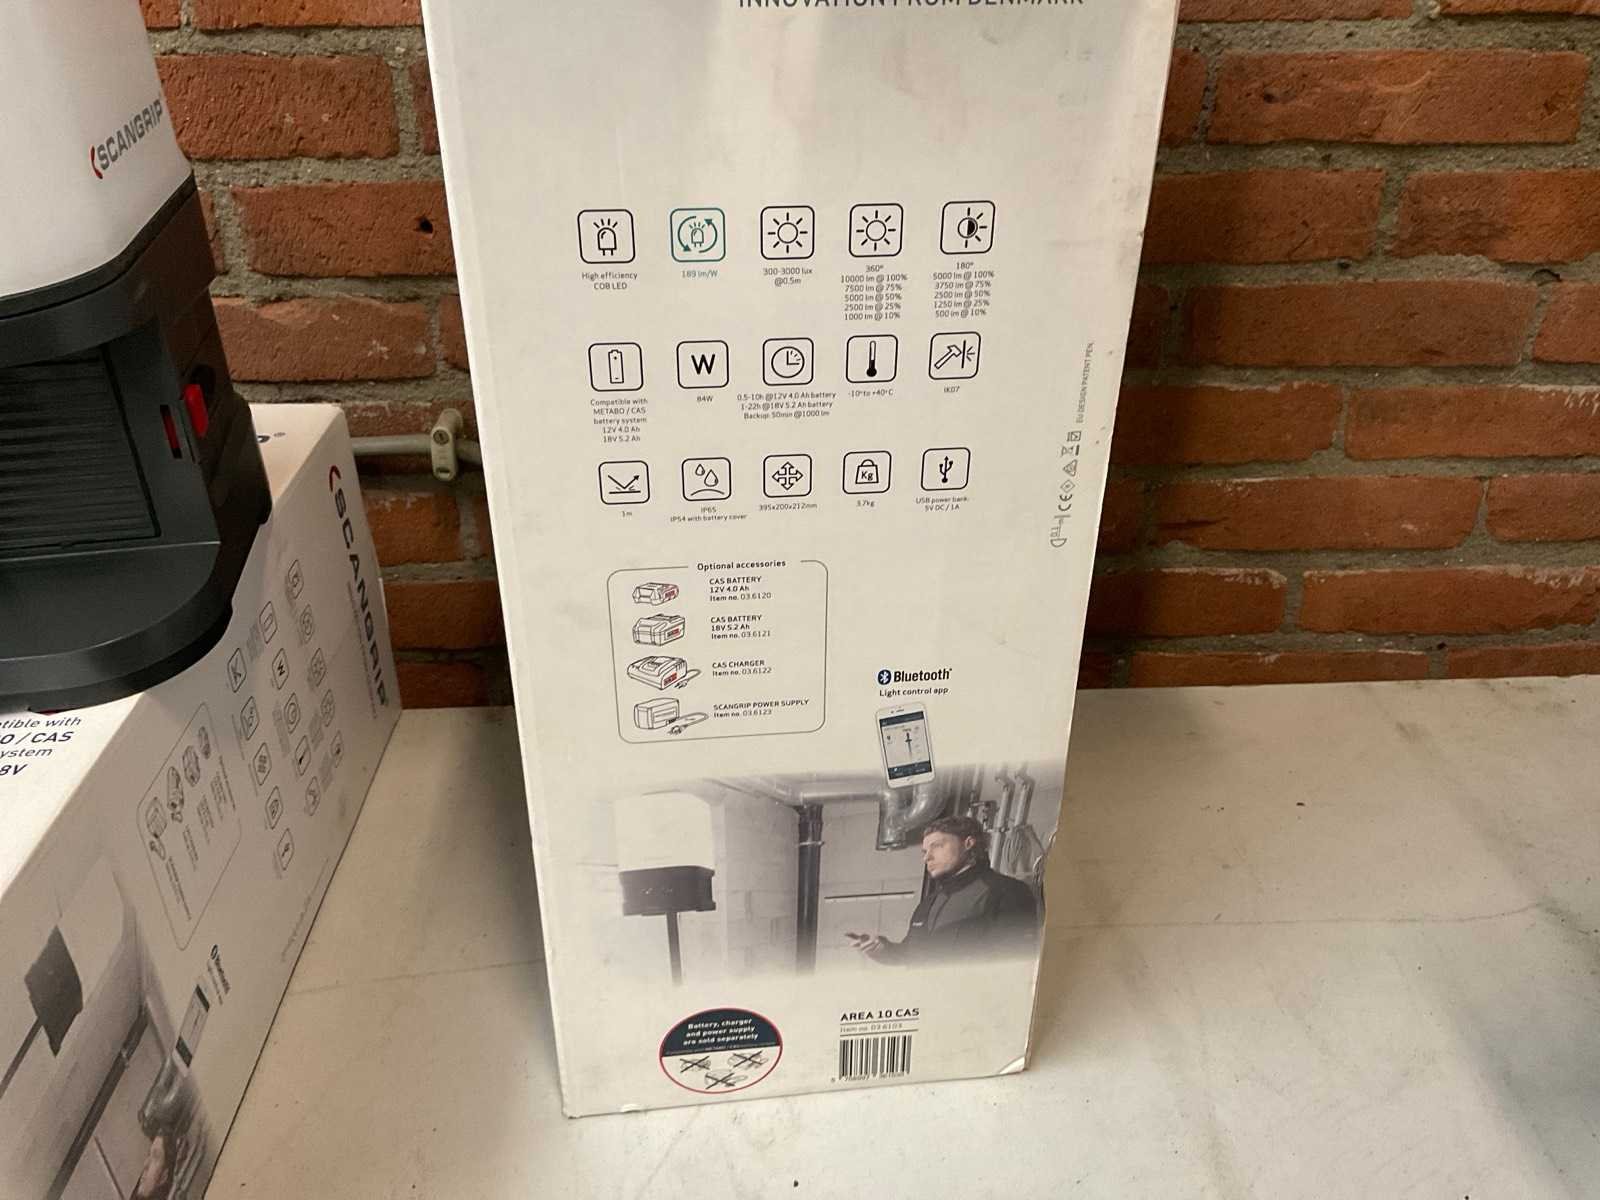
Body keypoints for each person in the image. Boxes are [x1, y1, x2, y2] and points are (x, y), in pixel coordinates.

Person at [848, 815, 1039, 964]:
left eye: (937, 846)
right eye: (924, 852)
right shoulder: (929, 903)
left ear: (968, 843)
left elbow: (1014, 964)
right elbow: (909, 954)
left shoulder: (1006, 891)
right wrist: (882, 950)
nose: (927, 857)